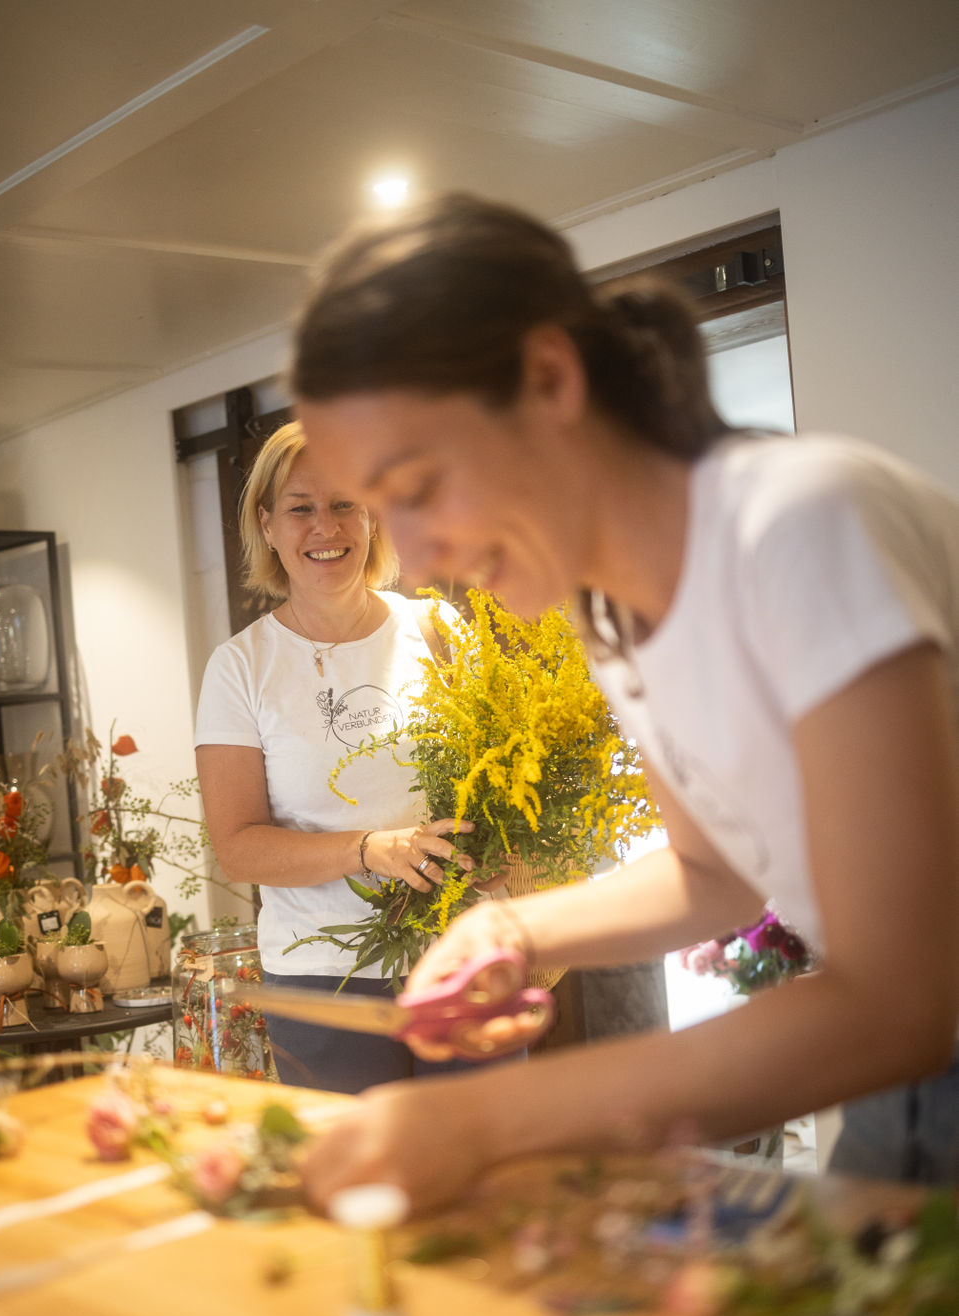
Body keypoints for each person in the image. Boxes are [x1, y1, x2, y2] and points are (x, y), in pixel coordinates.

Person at [287, 191, 959, 1211]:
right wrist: (519, 933)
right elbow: (714, 875)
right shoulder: (610, 618)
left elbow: (896, 1001)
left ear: (550, 378)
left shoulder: (797, 528)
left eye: (417, 487)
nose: (413, 557)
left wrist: (477, 1122)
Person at [194, 420, 474, 1092]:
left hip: (461, 956)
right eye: (301, 508)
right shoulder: (240, 667)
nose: (327, 526)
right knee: (362, 1158)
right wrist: (368, 850)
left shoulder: (437, 630)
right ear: (267, 525)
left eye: (345, 502)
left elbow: (494, 784)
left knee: (484, 1153)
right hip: (325, 979)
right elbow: (238, 849)